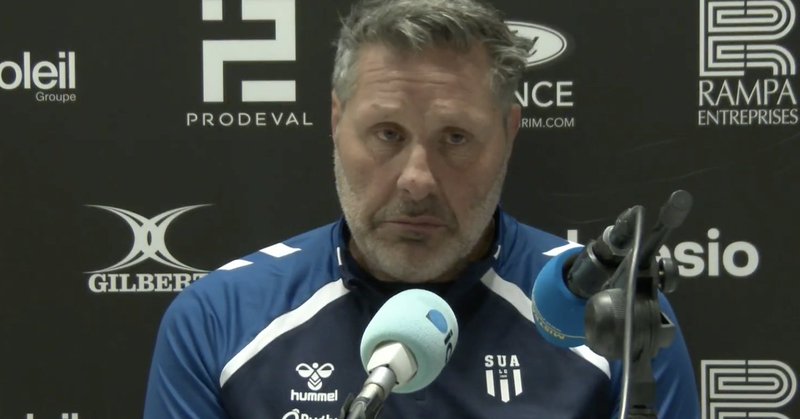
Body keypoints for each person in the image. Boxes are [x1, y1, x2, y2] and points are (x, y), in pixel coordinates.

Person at [144, 0, 700, 417]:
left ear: (508, 132)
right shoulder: (220, 320)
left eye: (455, 138)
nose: (416, 180)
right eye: (387, 133)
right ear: (336, 121)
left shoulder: (612, 320)